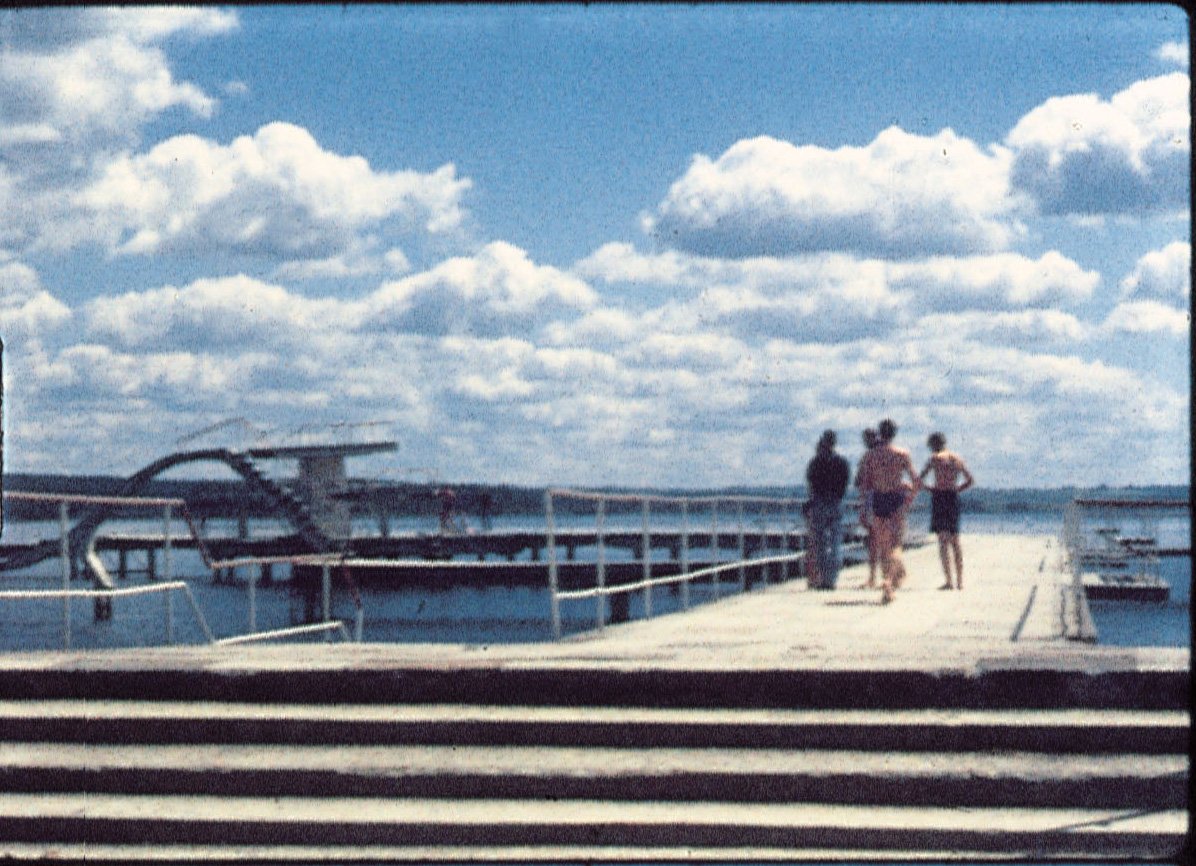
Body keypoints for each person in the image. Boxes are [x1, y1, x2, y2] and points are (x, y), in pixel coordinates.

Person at [856, 418, 920, 604]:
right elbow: (917, 482)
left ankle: (888, 588)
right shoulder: (902, 454)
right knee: (896, 545)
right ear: (894, 434)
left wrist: (863, 509)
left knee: (884, 546)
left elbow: (865, 486)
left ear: (880, 433)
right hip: (896, 499)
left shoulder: (870, 455)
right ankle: (888, 582)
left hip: (879, 499)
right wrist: (908, 500)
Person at [919, 432, 974, 590]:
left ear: (934, 445)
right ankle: (960, 581)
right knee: (955, 541)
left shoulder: (935, 459)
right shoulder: (957, 459)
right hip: (953, 497)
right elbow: (970, 480)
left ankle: (949, 581)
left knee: (943, 541)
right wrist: (956, 488)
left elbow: (920, 479)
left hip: (940, 497)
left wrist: (930, 489)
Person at [804, 430, 851, 590]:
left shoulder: (815, 462)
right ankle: (832, 578)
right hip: (836, 502)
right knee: (836, 542)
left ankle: (824, 579)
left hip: (819, 503)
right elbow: (845, 483)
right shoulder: (842, 462)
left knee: (821, 543)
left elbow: (811, 484)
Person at [855, 428, 880, 589]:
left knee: (873, 539)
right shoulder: (887, 454)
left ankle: (872, 577)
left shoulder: (867, 456)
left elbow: (859, 481)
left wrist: (862, 509)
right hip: (888, 497)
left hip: (872, 497)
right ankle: (889, 576)